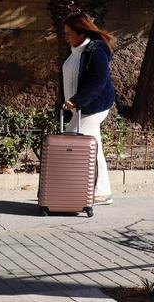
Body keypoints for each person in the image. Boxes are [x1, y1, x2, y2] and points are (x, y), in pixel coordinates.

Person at [59, 12, 116, 205]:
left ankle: (80, 189)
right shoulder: (74, 50)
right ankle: (101, 191)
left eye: (69, 33)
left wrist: (77, 100)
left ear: (81, 32)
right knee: (93, 147)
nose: (66, 37)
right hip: (79, 106)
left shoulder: (96, 50)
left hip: (93, 106)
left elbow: (97, 82)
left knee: (75, 143)